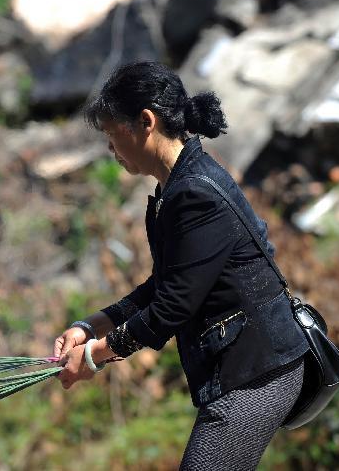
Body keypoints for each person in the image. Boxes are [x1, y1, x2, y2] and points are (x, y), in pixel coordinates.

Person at [55, 61, 309, 470]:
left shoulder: (195, 193)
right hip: (248, 365)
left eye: (110, 135)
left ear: (145, 122)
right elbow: (166, 284)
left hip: (258, 370)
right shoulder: (176, 186)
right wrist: (91, 325)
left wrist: (93, 357)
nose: (110, 150)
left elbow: (173, 307)